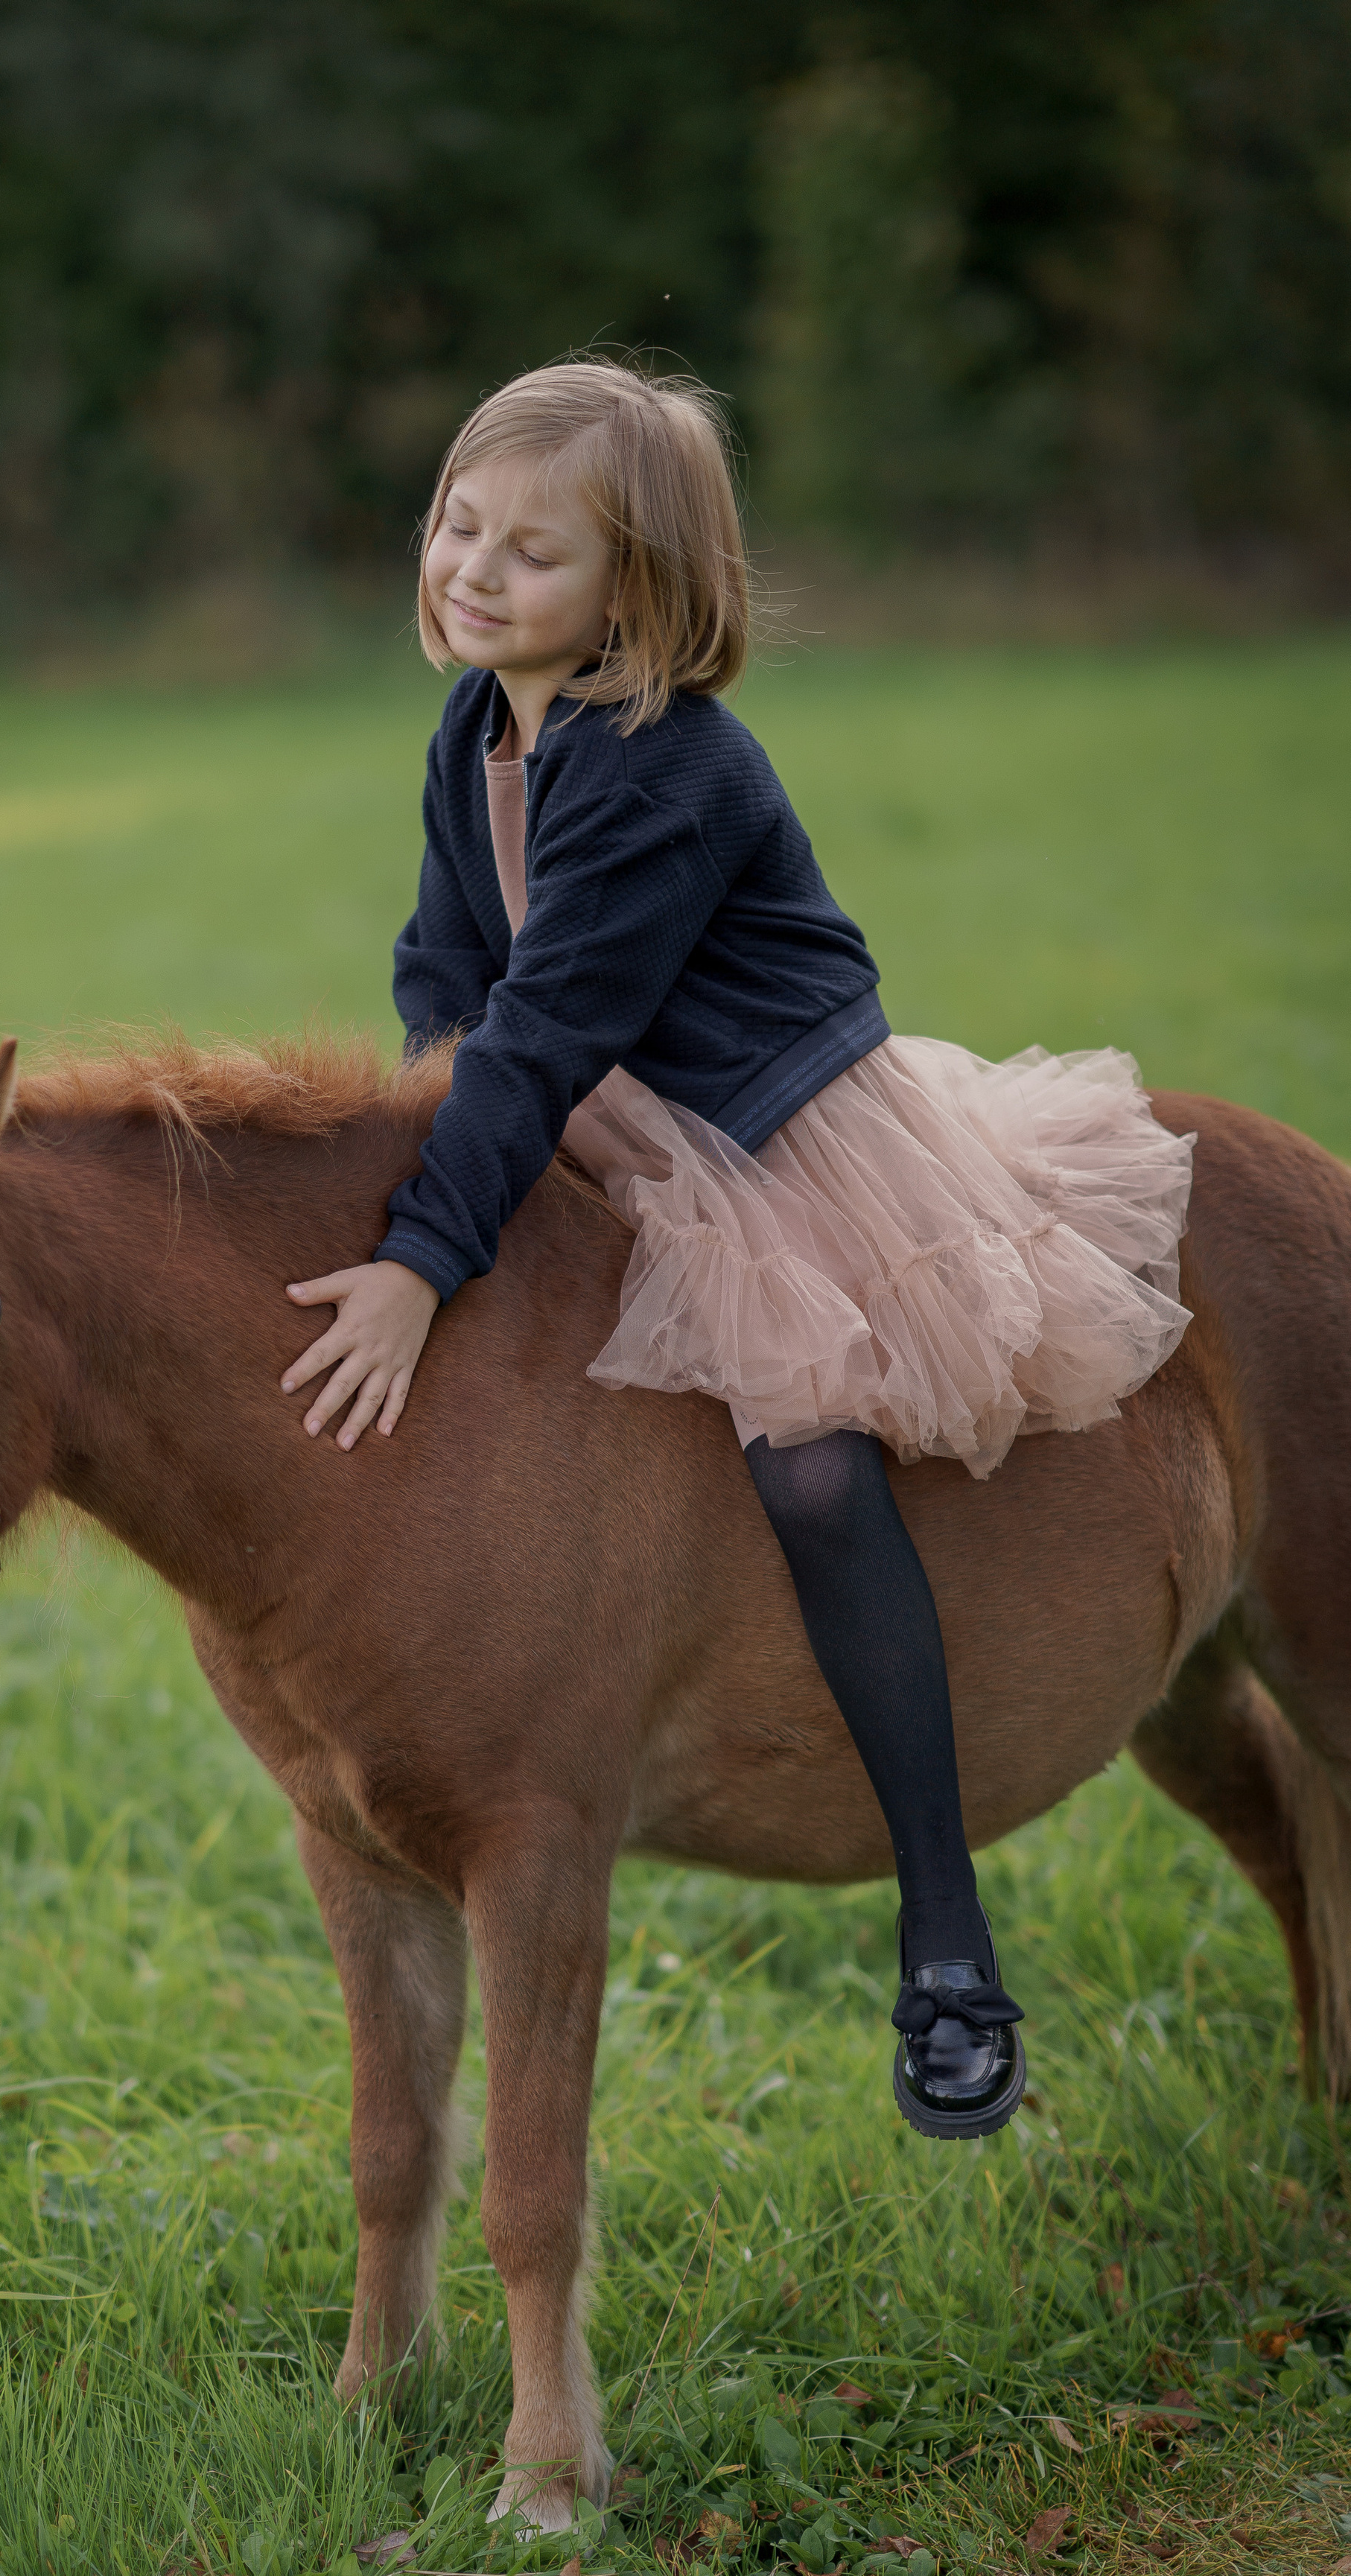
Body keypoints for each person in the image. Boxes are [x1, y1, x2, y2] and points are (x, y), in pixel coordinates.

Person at [277, 357, 1194, 2140]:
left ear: (636, 594)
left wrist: (416, 1256)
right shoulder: (476, 729)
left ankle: (941, 1928)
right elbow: (441, 977)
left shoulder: (660, 770)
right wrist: (415, 1117)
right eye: (457, 523)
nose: (471, 569)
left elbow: (533, 1037)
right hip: (612, 1110)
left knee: (809, 1461)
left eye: (530, 552)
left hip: (774, 1135)